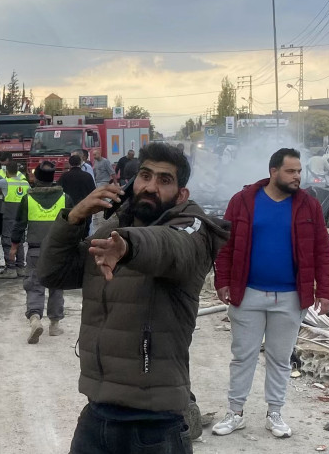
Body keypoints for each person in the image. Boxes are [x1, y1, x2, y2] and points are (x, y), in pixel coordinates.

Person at [38, 143, 229, 454]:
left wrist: (127, 247)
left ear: (181, 194)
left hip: (155, 427)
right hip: (96, 417)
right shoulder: (116, 225)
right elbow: (52, 273)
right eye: (145, 175)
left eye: (164, 180)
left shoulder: (193, 228)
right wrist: (73, 218)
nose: (151, 187)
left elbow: (170, 248)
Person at [211, 148, 329, 440]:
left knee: (280, 358)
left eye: (299, 171)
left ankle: (274, 413)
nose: (297, 177)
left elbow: (321, 250)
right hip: (248, 293)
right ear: (273, 171)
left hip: (291, 297)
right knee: (243, 356)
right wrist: (222, 281)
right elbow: (225, 245)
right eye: (291, 171)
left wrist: (325, 290)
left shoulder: (309, 206)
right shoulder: (243, 201)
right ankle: (235, 413)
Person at [10, 161, 71, 344]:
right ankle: (54, 325)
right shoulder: (65, 198)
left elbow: (19, 225)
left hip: (36, 250)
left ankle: (35, 318)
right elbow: (74, 223)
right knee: (56, 286)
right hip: (58, 250)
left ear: (36, 178)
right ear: (54, 177)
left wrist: (14, 247)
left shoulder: (27, 199)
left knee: (34, 285)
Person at [0, 160, 30, 278]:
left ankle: (10, 268)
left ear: (7, 171)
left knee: (8, 241)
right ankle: (21, 267)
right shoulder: (25, 183)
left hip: (9, 216)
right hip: (22, 218)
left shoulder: (5, 182)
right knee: (20, 242)